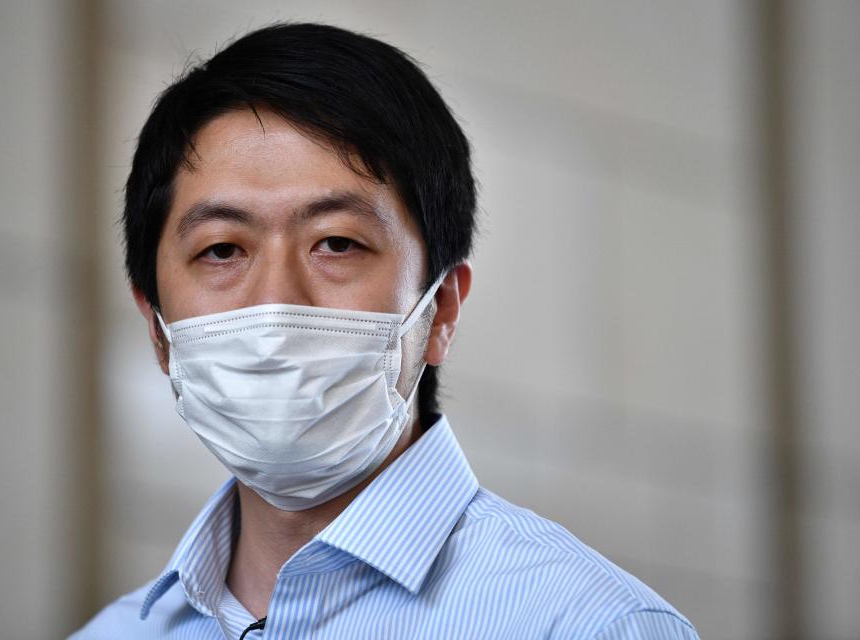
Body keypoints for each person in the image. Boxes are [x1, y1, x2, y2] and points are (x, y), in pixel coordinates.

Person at [72, 22, 699, 640]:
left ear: (442, 310)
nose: (275, 303)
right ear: (157, 329)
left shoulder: (591, 626)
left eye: (337, 243)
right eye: (221, 250)